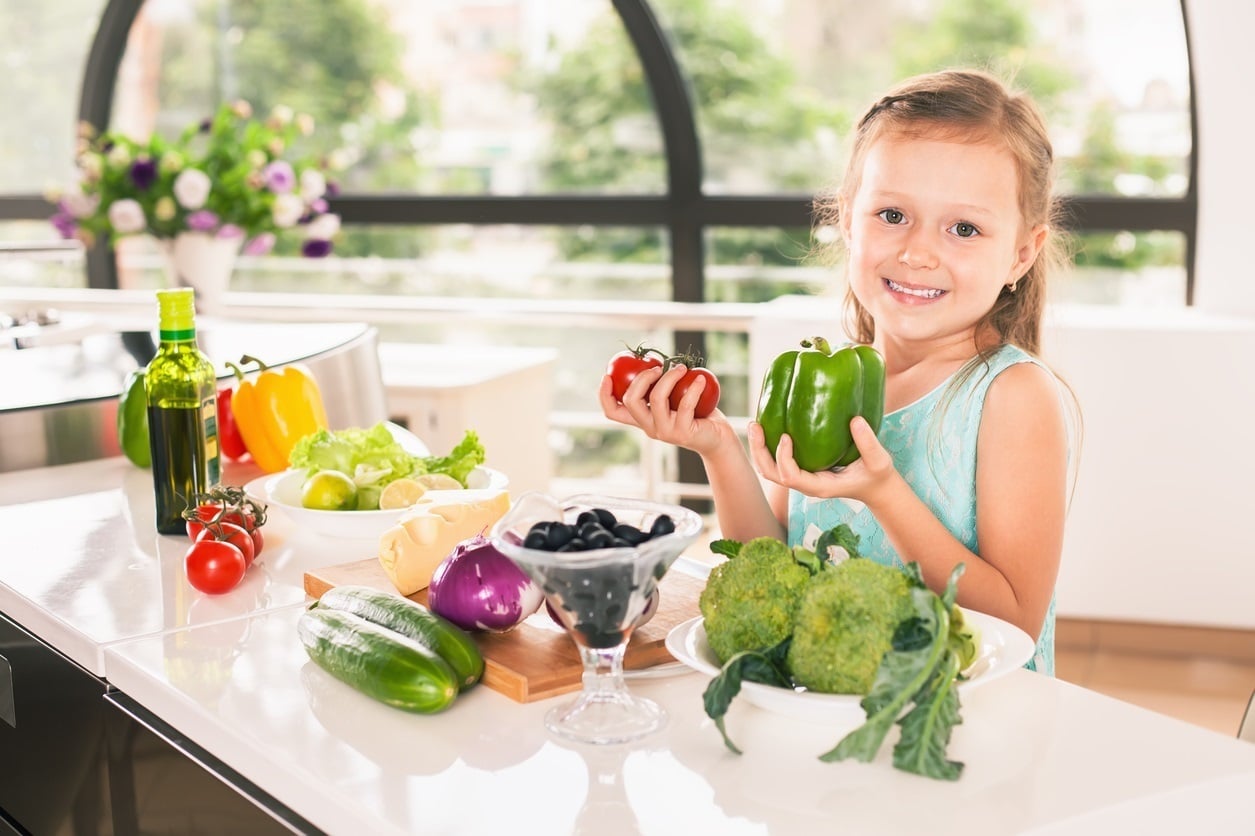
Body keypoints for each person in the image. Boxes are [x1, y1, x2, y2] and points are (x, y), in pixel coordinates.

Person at [599, 69, 1076, 674]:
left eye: (963, 228)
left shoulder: (1013, 394)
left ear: (1021, 253)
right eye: (892, 214)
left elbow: (1013, 627)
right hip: (829, 706)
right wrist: (716, 447)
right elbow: (770, 565)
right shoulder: (824, 379)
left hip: (960, 728)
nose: (918, 251)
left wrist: (883, 493)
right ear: (849, 219)